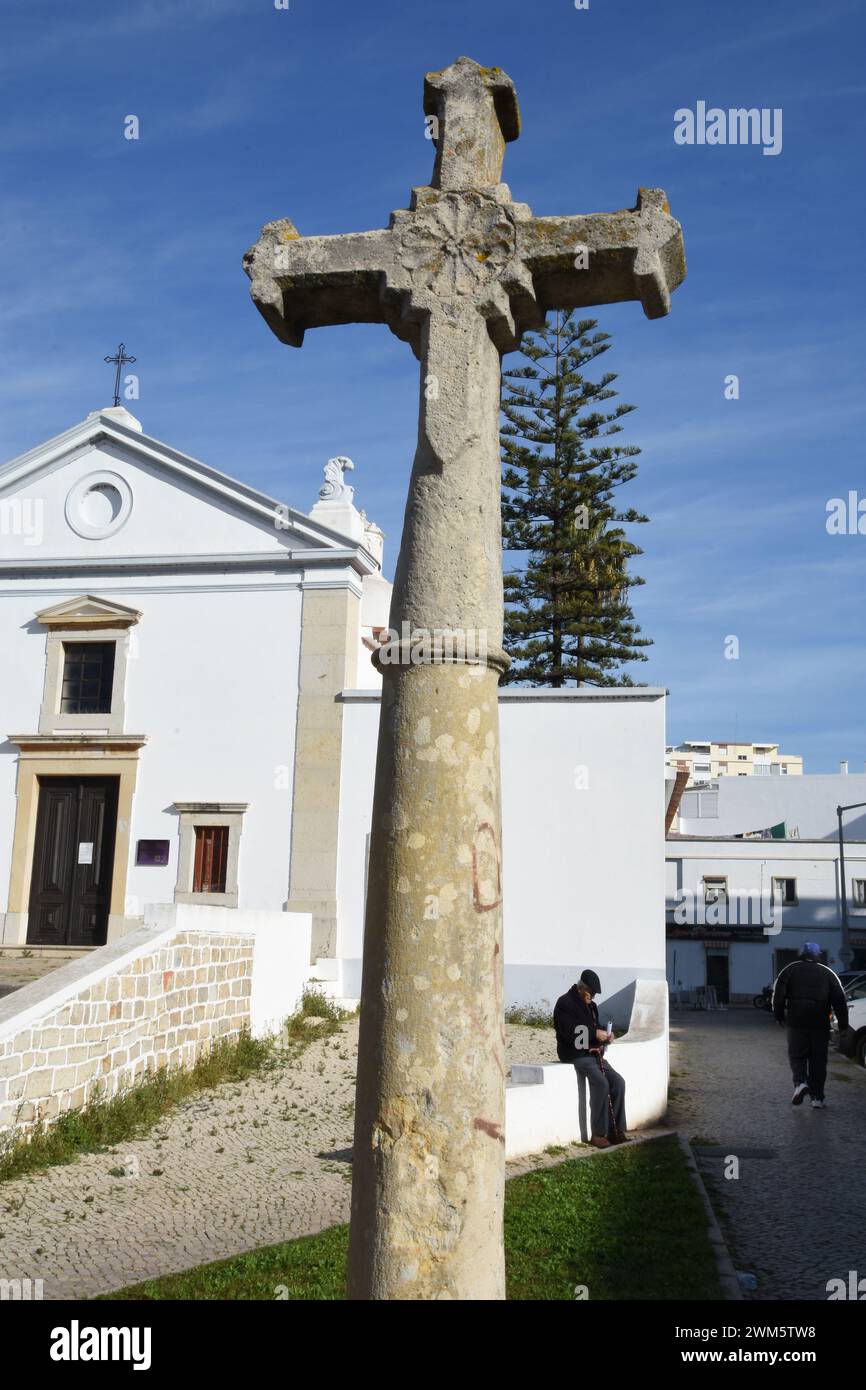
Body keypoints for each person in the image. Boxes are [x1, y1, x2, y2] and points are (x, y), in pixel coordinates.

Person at [553, 969, 629, 1148]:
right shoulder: (565, 1003)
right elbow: (570, 1032)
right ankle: (598, 1134)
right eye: (591, 993)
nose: (593, 997)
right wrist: (595, 1034)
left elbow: (593, 1027)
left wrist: (606, 1035)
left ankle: (616, 1130)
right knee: (601, 1083)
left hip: (594, 1053)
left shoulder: (591, 1006)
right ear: (581, 988)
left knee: (618, 1082)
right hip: (575, 1054)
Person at [772, 942, 849, 1108]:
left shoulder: (789, 970)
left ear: (801, 954)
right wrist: (843, 1025)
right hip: (819, 1024)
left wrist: (778, 1016)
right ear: (817, 955)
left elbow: (778, 995)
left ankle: (800, 1083)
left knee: (797, 1055)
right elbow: (840, 1001)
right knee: (818, 1061)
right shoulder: (828, 973)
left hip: (796, 1023)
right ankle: (817, 1098)